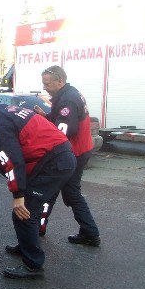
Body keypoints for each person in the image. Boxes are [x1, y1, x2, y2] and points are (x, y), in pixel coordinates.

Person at [0, 96, 77, 279]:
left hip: (54, 163)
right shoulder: (5, 110)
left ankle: (33, 265)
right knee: (29, 209)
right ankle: (26, 245)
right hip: (57, 157)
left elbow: (12, 160)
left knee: (23, 211)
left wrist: (17, 194)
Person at [33, 65, 100, 245]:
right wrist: (46, 116)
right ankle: (89, 232)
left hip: (72, 153)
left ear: (60, 81)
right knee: (66, 192)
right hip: (80, 150)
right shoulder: (68, 93)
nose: (44, 87)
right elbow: (61, 120)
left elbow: (63, 131)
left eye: (47, 83)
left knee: (54, 191)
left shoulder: (67, 100)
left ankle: (90, 233)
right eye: (43, 83)